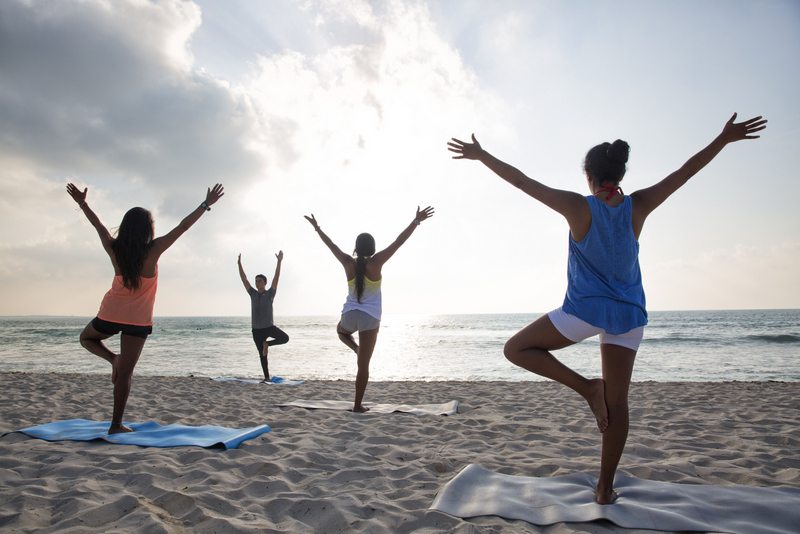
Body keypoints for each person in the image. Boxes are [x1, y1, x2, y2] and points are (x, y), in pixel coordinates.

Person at [447, 113, 766, 504]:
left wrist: (482, 155)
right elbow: (684, 173)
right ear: (619, 174)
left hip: (583, 312)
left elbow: (521, 181)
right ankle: (604, 488)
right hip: (629, 316)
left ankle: (585, 388)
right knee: (618, 403)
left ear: (589, 176)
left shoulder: (578, 207)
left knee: (516, 349)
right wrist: (723, 139)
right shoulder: (639, 205)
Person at [66, 182, 225, 434]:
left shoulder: (114, 249)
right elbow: (182, 227)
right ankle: (116, 423)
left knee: (86, 338)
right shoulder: (153, 250)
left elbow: (98, 225)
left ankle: (112, 360)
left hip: (110, 313)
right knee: (126, 374)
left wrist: (83, 203)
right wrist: (205, 205)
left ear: (126, 227)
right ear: (148, 229)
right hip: (138, 321)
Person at [304, 207, 434, 412]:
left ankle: (355, 349)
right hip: (370, 319)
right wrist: (415, 221)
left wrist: (317, 228)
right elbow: (398, 242)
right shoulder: (376, 262)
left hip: (348, 316)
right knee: (363, 366)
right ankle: (357, 405)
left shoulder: (348, 262)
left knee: (340, 331)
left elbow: (332, 246)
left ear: (356, 248)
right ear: (372, 248)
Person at [237, 252, 289, 382]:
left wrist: (279, 262)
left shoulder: (270, 293)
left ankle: (268, 344)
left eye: (259, 281)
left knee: (285, 338)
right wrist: (239, 264)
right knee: (262, 355)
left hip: (269, 327)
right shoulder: (252, 294)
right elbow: (244, 279)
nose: (256, 282)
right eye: (256, 281)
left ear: (264, 282)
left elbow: (276, 277)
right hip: (256, 330)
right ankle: (266, 378)